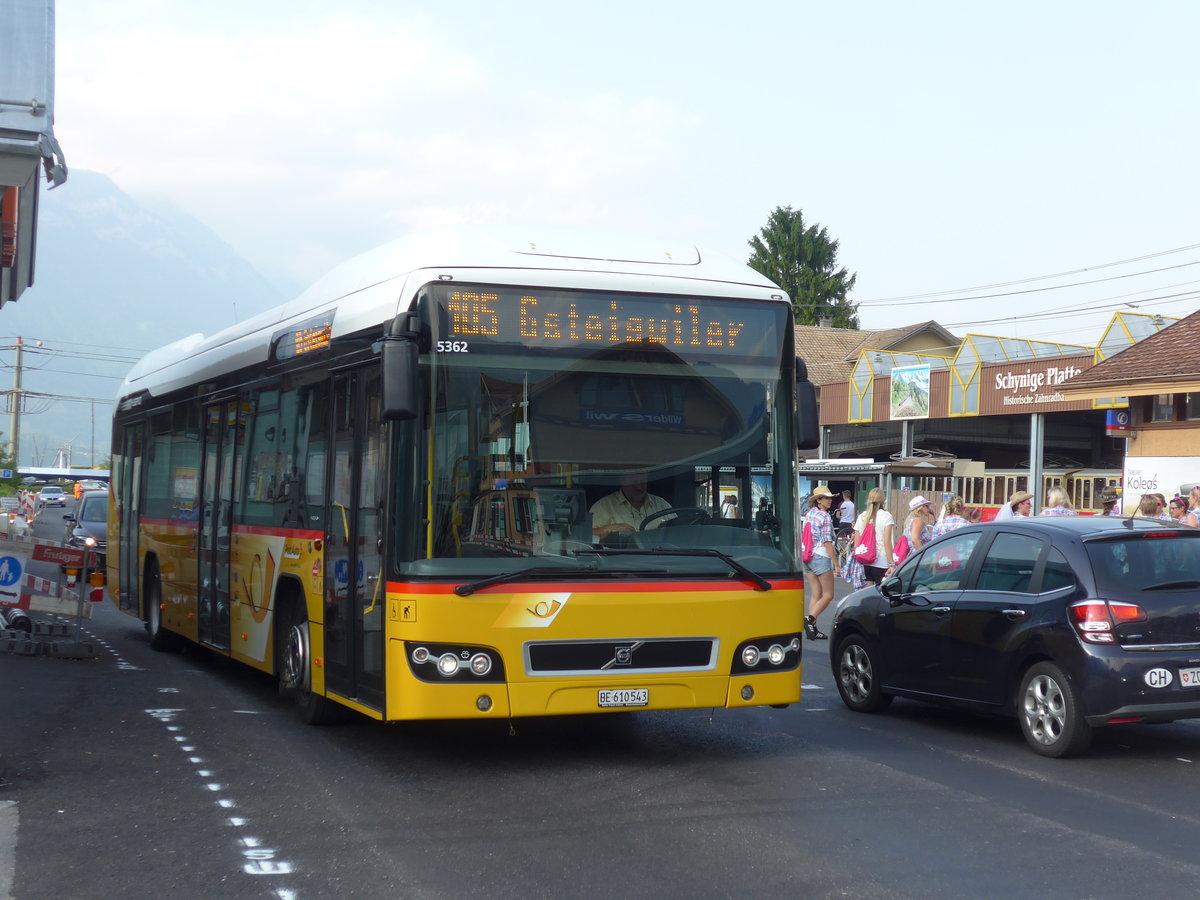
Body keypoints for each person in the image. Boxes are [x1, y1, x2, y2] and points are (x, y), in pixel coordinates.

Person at [590, 472, 672, 541]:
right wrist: (607, 530)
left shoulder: (661, 504)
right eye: (634, 482)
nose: (639, 487)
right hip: (617, 559)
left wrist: (667, 528)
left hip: (659, 557)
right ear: (623, 482)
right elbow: (583, 537)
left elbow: (681, 530)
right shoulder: (603, 506)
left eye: (642, 482)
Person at [802, 485, 837, 640]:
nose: (830, 500)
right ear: (818, 500)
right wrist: (837, 564)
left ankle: (813, 629)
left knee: (816, 594)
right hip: (821, 556)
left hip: (807, 556)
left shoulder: (809, 514)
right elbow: (828, 542)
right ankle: (809, 619)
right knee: (828, 595)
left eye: (830, 497)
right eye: (826, 498)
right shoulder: (825, 517)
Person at [852, 487, 894, 586]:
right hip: (881, 561)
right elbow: (887, 542)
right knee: (882, 594)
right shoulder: (886, 516)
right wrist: (891, 564)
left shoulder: (862, 516)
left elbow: (856, 544)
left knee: (867, 593)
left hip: (864, 560)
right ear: (883, 500)